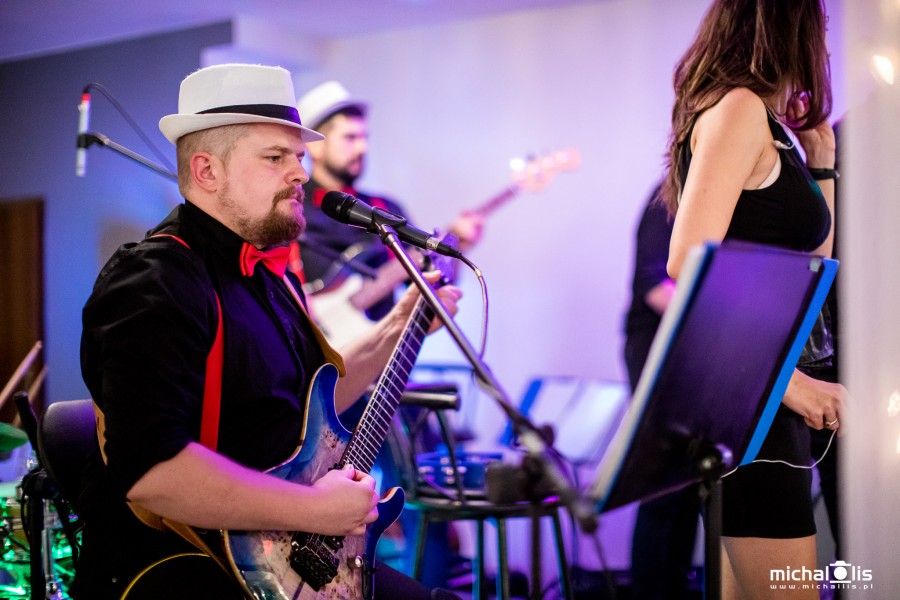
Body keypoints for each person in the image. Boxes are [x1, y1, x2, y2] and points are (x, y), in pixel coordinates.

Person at [76, 63, 464, 600]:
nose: (300, 174)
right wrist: (315, 509)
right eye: (276, 158)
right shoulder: (155, 279)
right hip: (185, 566)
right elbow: (153, 473)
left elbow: (314, 402)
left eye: (299, 157)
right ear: (207, 171)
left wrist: (400, 325)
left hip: (284, 553)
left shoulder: (271, 275)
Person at [661, 1, 848, 598]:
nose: (823, 43)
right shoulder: (738, 108)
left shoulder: (762, 121)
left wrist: (821, 167)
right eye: (818, 27)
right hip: (750, 396)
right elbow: (687, 262)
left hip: (759, 391)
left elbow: (811, 264)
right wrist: (788, 383)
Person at [294, 80, 483, 325]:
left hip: (382, 343)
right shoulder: (292, 207)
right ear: (315, 146)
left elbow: (429, 284)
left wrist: (458, 245)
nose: (362, 147)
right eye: (350, 137)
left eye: (365, 137)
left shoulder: (386, 209)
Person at [624, 183, 700, 600]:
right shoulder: (669, 195)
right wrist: (718, 325)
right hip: (657, 348)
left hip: (694, 351)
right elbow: (653, 286)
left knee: (688, 486)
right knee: (662, 486)